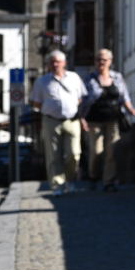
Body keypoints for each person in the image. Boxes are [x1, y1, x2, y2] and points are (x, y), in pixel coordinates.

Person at [78, 48, 135, 192]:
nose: (101, 62)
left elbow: (124, 97)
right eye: (98, 59)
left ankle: (108, 181)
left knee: (111, 150)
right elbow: (83, 100)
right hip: (94, 120)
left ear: (110, 62)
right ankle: (93, 176)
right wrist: (82, 118)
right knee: (96, 151)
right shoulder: (89, 79)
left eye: (104, 60)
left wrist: (132, 110)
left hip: (113, 119)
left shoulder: (117, 77)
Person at [29, 49, 89, 196]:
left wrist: (72, 109)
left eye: (58, 62)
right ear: (49, 64)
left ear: (64, 63)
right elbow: (35, 102)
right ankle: (57, 185)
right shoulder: (42, 81)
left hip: (72, 120)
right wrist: (50, 109)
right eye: (53, 62)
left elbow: (82, 97)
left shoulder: (74, 78)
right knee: (53, 155)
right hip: (51, 121)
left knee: (74, 153)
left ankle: (70, 181)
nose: (55, 64)